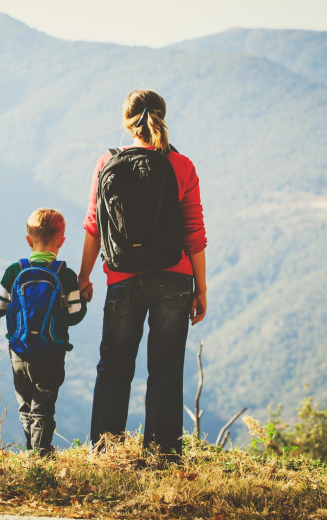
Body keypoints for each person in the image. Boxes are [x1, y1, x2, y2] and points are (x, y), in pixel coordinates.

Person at [78, 89, 207, 459]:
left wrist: (84, 277)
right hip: (175, 278)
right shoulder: (181, 165)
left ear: (126, 121)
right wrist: (201, 287)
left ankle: (105, 451)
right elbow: (193, 230)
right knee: (165, 368)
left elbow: (93, 225)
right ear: (163, 117)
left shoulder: (107, 161)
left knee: (114, 367)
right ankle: (163, 454)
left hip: (122, 279)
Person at [0, 208, 87, 456]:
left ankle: (33, 449)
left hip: (20, 352)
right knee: (44, 406)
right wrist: (83, 299)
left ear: (28, 240)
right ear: (61, 241)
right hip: (52, 352)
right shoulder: (66, 275)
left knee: (25, 406)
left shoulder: (14, 272)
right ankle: (40, 453)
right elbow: (75, 316)